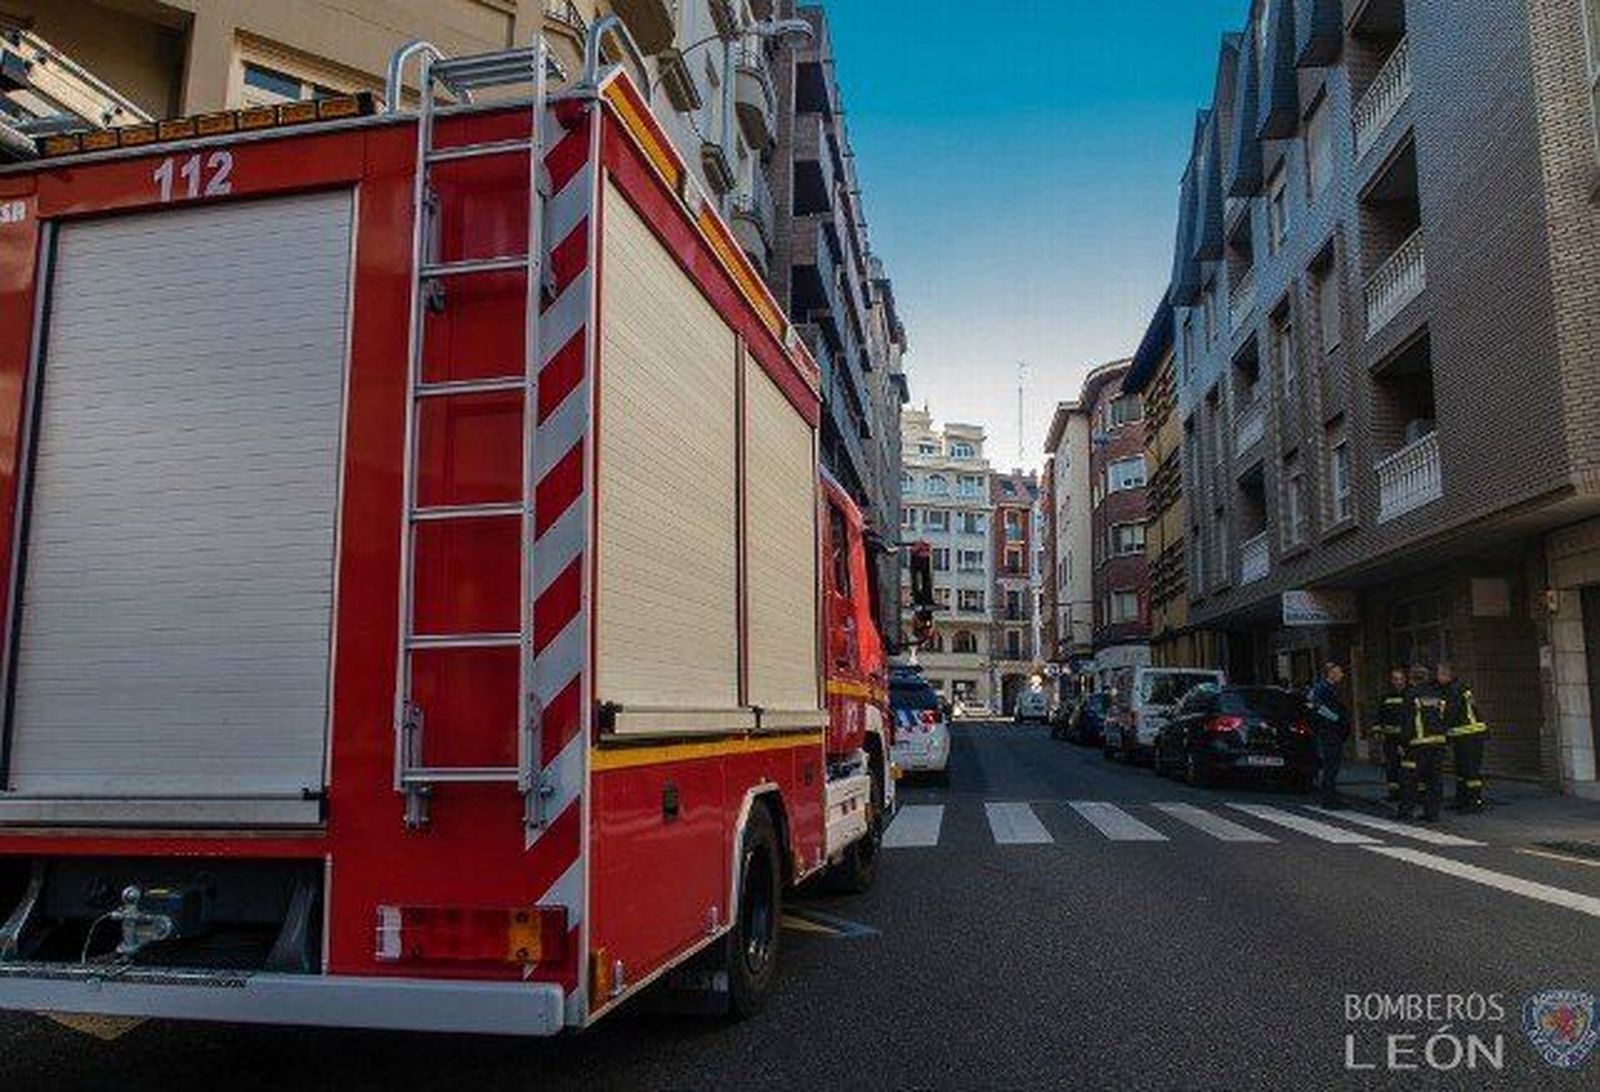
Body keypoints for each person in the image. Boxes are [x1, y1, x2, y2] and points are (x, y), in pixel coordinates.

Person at [1399, 664, 1447, 822]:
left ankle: (1406, 813)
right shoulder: (1438, 694)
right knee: (1434, 779)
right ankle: (1432, 814)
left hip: (1417, 744)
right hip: (1438, 742)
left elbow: (1407, 721)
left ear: (1412, 679)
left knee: (1410, 779)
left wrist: (1403, 743)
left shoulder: (1411, 695)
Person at [1437, 663, 1488, 812]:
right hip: (1463, 735)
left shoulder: (1455, 689)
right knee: (1461, 770)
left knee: (1470, 770)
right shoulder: (1455, 688)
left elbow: (1449, 713)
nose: (1438, 677)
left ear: (1448, 675)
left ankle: (1474, 802)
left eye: (1440, 673)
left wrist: (1440, 731)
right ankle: (1462, 800)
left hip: (1470, 734)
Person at [1307, 662, 1351, 808]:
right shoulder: (1323, 688)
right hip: (1329, 732)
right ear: (1330, 673)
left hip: (1331, 732)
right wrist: (1336, 719)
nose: (1342, 675)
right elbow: (1317, 706)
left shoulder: (1328, 688)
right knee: (1331, 766)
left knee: (1332, 766)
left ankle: (1331, 798)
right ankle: (1329, 800)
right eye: (1339, 672)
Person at [1374, 668, 1410, 802]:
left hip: (1405, 738)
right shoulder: (1386, 696)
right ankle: (1394, 794)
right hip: (1390, 738)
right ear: (1391, 681)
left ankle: (1407, 793)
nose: (1398, 682)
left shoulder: (1409, 695)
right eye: (1395, 679)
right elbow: (1379, 714)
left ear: (1405, 680)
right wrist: (1377, 730)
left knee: (1406, 766)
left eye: (1400, 679)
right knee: (1391, 766)